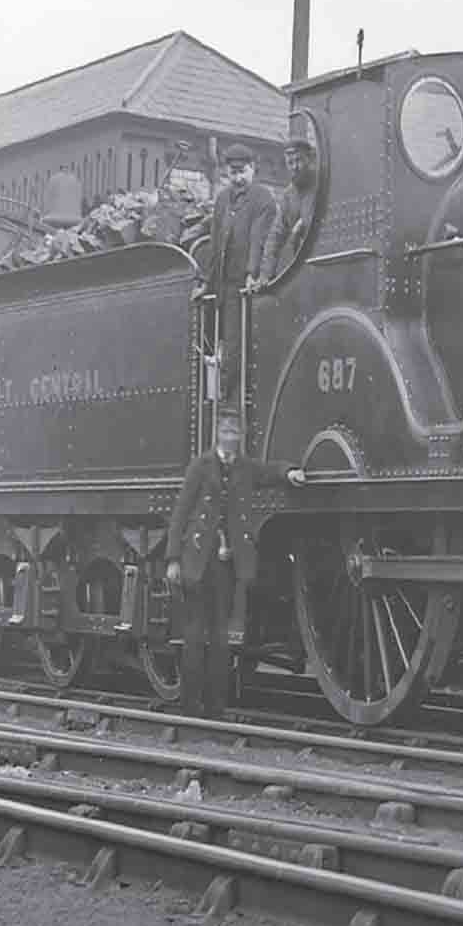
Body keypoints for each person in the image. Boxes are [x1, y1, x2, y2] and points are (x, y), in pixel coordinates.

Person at [164, 411, 302, 717]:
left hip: (227, 564)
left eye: (236, 434)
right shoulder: (200, 467)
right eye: (226, 432)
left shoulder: (245, 468)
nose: (231, 438)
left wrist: (289, 472)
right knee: (194, 634)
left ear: (240, 438)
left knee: (220, 637)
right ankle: (190, 706)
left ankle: (215, 707)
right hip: (197, 560)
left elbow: (269, 472)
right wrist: (173, 559)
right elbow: (181, 512)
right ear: (218, 435)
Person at [210, 143, 278, 396]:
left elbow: (258, 238)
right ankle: (226, 395)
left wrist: (252, 272)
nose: (237, 178)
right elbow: (216, 242)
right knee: (229, 345)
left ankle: (237, 398)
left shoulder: (263, 199)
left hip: (251, 285)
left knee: (244, 345)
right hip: (226, 285)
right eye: (232, 172)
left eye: (242, 172)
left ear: (253, 169)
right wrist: (206, 282)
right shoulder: (222, 200)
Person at [255, 135, 320, 281]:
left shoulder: (322, 186)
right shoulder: (288, 196)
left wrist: (302, 225)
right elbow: (276, 236)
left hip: (321, 261)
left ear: (310, 160)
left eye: (299, 161)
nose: (295, 167)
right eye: (290, 163)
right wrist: (265, 275)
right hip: (300, 266)